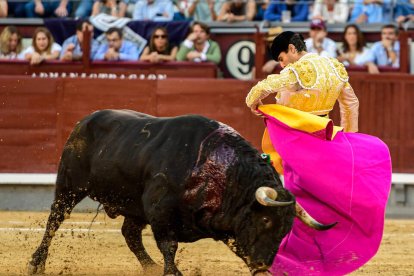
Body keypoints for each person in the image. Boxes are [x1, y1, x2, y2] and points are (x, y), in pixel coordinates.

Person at [245, 31, 391, 276]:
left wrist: (252, 103)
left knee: (301, 199)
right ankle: (322, 254)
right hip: (327, 143)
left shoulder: (297, 71)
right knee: (324, 201)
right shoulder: (335, 68)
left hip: (299, 145)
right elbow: (350, 103)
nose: (282, 65)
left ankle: (295, 259)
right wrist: (349, 140)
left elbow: (264, 86)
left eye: (282, 58)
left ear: (292, 49)